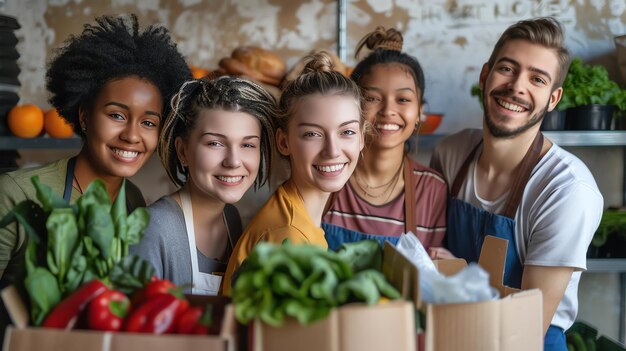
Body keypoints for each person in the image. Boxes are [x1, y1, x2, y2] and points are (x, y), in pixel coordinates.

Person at [0, 13, 190, 333]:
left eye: (148, 122)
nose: (132, 136)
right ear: (85, 116)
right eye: (117, 115)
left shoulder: (133, 202)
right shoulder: (15, 193)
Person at [429, 17, 603, 351]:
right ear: (485, 75)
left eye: (537, 79)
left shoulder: (566, 190)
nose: (517, 86)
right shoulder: (451, 153)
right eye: (507, 69)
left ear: (553, 99)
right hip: (452, 333)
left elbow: (529, 328)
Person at [221, 52, 365, 295]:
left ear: (362, 137)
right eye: (312, 134)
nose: (332, 151)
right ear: (284, 142)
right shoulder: (289, 235)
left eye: (347, 132)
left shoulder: (296, 213)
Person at [130, 76, 277, 295]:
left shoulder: (231, 218)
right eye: (215, 143)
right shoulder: (153, 228)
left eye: (247, 144)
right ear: (182, 151)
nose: (233, 161)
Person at [322, 26, 447, 251]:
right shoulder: (328, 175)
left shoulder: (432, 189)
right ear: (354, 107)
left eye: (403, 99)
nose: (388, 110)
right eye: (372, 98)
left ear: (419, 112)